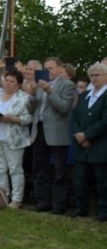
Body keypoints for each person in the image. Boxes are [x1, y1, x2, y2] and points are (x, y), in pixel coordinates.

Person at [25, 57, 77, 214]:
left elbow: (64, 108)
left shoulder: (68, 85)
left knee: (59, 171)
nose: (47, 72)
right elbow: (31, 109)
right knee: (39, 169)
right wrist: (32, 95)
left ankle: (59, 205)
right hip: (39, 129)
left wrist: (49, 91)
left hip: (57, 132)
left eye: (50, 68)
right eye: (45, 68)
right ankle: (42, 202)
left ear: (60, 69)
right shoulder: (40, 85)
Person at [0, 70, 31, 209]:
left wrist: (11, 119)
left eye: (12, 81)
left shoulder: (24, 98)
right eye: (7, 80)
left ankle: (17, 199)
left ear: (19, 85)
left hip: (14, 140)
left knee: (15, 169)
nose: (8, 83)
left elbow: (28, 119)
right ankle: (2, 197)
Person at [70, 63, 107, 221]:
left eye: (98, 75)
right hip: (81, 146)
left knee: (102, 181)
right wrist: (79, 135)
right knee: (79, 179)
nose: (94, 78)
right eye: (92, 75)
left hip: (100, 145)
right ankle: (81, 207)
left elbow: (105, 121)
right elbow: (74, 117)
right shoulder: (85, 95)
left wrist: (87, 135)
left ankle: (104, 210)